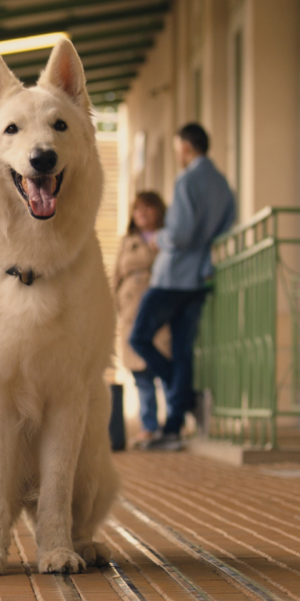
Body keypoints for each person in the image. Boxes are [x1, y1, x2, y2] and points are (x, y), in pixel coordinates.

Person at [129, 123, 236, 451]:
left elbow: (179, 234)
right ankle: (174, 426)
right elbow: (225, 229)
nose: (178, 155)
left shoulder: (187, 180)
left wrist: (159, 238)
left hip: (173, 276)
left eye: (177, 149)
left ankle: (185, 397)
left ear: (186, 148)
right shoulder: (223, 185)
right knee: (182, 352)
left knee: (138, 337)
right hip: (200, 278)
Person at [113, 191, 171, 446]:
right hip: (130, 310)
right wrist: (115, 305)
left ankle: (172, 424)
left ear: (159, 210)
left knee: (164, 367)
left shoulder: (167, 236)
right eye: (138, 209)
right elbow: (115, 275)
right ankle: (148, 426)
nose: (142, 213)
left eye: (148, 208)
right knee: (141, 374)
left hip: (160, 309)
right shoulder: (127, 242)